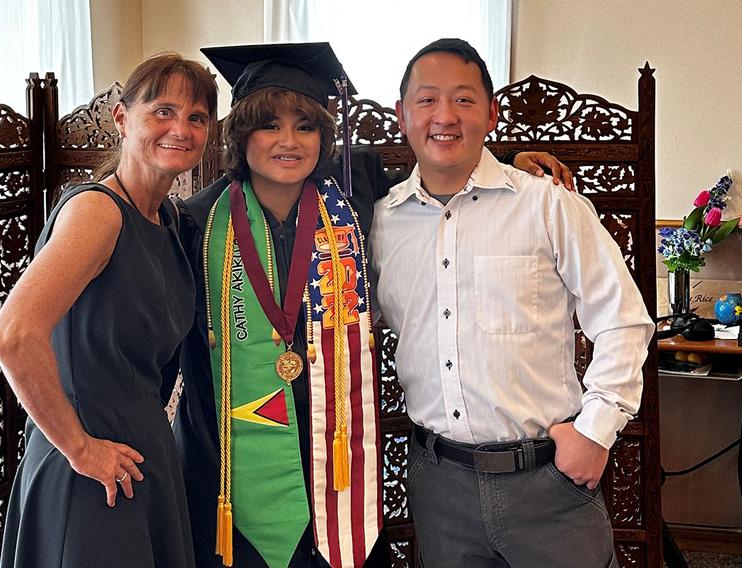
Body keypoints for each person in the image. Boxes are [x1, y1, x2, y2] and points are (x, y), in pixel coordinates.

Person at [175, 42, 574, 568]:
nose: (288, 142)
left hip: (336, 456)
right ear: (241, 135)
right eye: (268, 125)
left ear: (325, 135)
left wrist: (517, 161)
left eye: (306, 126)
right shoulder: (196, 224)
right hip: (232, 463)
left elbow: (444, 174)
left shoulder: (357, 193)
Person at [370, 38, 654, 568]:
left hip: (547, 483)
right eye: (426, 99)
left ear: (492, 113)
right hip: (439, 485)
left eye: (464, 99)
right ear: (401, 115)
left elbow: (623, 321)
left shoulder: (549, 204)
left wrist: (594, 432)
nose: (445, 116)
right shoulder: (379, 223)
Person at [0, 53, 217, 568]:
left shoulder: (170, 221)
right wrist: (80, 449)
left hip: (141, 452)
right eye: (162, 111)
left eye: (196, 118)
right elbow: (13, 336)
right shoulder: (98, 212)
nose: (180, 129)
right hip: (92, 469)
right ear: (121, 118)